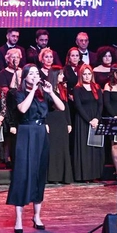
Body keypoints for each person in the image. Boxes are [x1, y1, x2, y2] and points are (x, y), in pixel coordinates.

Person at [6, 64, 65, 233]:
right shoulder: (17, 93)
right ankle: (18, 218)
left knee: (39, 173)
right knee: (22, 174)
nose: (34, 76)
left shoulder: (43, 93)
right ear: (24, 76)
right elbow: (23, 109)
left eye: (36, 73)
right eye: (31, 73)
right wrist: (32, 90)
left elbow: (61, 107)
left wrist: (51, 92)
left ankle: (37, 216)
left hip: (41, 133)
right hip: (26, 132)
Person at [44, 53, 73, 184]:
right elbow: (44, 108)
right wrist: (45, 123)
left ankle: (63, 176)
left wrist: (69, 122)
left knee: (62, 149)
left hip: (62, 121)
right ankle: (53, 177)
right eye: (60, 74)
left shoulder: (62, 89)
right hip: (52, 121)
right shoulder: (46, 90)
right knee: (53, 149)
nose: (62, 76)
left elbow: (66, 107)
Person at [72, 64, 104, 182]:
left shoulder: (97, 87)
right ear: (81, 75)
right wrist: (89, 120)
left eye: (89, 74)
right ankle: (85, 176)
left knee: (95, 148)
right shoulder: (77, 89)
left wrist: (96, 119)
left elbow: (100, 105)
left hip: (96, 119)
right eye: (84, 74)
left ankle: (95, 174)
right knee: (85, 149)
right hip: (83, 121)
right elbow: (78, 106)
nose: (87, 76)